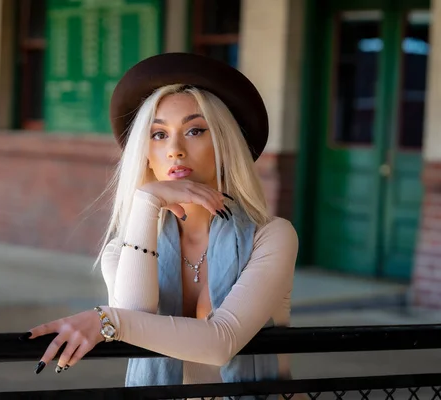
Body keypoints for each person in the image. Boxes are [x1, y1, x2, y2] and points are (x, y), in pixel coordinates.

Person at [20, 53, 299, 398]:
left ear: (224, 144)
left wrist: (106, 322)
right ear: (145, 154)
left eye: (195, 130)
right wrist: (146, 203)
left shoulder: (271, 237)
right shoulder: (120, 251)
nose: (175, 150)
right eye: (158, 135)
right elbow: (137, 318)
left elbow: (220, 343)